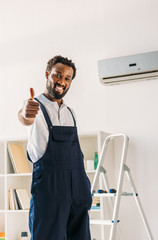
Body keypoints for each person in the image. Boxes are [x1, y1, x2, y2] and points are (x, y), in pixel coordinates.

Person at [18, 55, 92, 240]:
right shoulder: (34, 105)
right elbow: (24, 116)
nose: (62, 81)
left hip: (77, 187)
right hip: (50, 190)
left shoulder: (70, 112)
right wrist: (25, 112)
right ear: (47, 74)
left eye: (67, 78)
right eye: (58, 75)